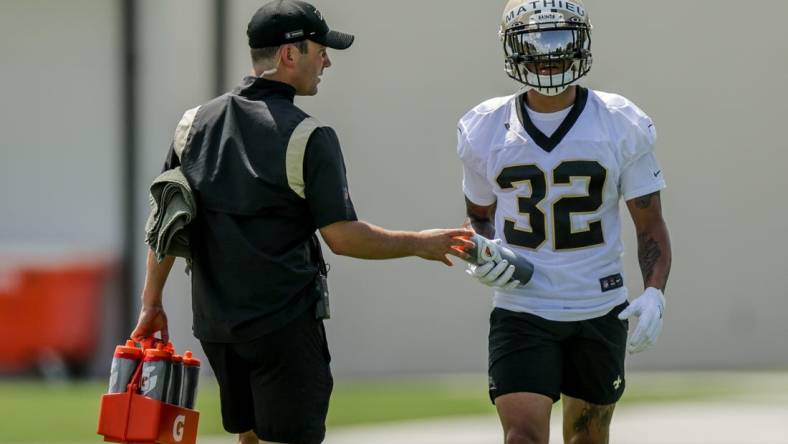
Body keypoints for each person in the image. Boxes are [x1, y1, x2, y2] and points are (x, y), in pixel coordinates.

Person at [130, 1, 473, 443]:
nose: (327, 60)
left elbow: (167, 221)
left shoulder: (191, 125)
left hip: (216, 327)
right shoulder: (310, 136)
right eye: (320, 50)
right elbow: (343, 238)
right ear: (291, 54)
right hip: (284, 328)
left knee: (249, 437)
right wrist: (419, 242)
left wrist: (150, 302)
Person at [458, 1, 672, 443]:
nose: (549, 55)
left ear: (580, 45)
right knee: (522, 436)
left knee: (588, 438)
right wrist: (481, 254)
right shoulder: (484, 127)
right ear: (512, 49)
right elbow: (479, 217)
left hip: (598, 305)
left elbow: (649, 224)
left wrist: (654, 292)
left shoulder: (618, 121)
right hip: (523, 307)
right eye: (536, 42)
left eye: (560, 41)